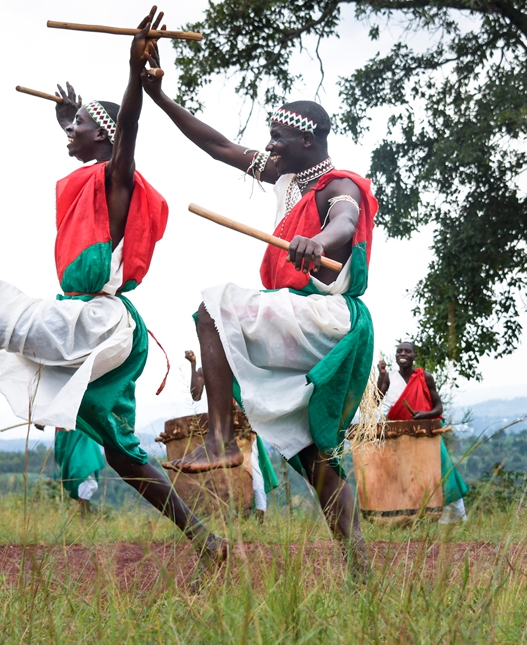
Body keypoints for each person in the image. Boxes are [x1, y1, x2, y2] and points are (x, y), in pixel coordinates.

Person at [0, 8, 228, 582]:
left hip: (97, 323)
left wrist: (133, 74)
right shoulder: (97, 176)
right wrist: (68, 116)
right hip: (103, 327)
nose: (69, 132)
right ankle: (204, 539)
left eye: (78, 125)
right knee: (122, 453)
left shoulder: (118, 175)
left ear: (104, 134)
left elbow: (125, 132)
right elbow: (104, 136)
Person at [142, 65, 376, 577]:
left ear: (308, 140)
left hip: (327, 317)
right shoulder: (286, 176)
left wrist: (322, 241)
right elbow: (220, 147)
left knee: (212, 309)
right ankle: (361, 571)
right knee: (314, 454)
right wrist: (158, 96)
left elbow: (346, 219)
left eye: (278, 138)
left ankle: (222, 435)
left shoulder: (340, 184)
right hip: (298, 317)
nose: (268, 147)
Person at [376, 342, 469, 523]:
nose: (403, 354)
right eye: (399, 351)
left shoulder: (424, 377)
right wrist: (380, 376)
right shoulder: (388, 377)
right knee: (407, 477)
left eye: (407, 351)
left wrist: (424, 414)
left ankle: (455, 517)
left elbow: (438, 407)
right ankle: (411, 520)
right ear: (395, 356)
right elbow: (375, 401)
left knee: (442, 471)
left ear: (414, 357)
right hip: (399, 435)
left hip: (426, 432)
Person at [184, 350, 278, 519]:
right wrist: (192, 364)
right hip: (218, 430)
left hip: (243, 429)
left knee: (252, 473)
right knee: (223, 477)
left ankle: (260, 516)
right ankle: (233, 519)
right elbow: (196, 395)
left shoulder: (239, 364)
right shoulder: (205, 368)